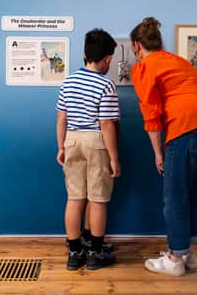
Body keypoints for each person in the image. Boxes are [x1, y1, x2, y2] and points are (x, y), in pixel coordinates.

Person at [130, 17, 197, 277]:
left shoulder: (144, 67)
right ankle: (188, 254)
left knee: (173, 195)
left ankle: (174, 260)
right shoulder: (177, 61)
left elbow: (151, 116)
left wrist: (158, 154)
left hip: (186, 127)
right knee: (188, 189)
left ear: (136, 46)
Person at [56, 29, 121, 271]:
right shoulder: (106, 85)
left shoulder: (69, 81)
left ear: (84, 54)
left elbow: (61, 118)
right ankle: (95, 252)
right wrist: (114, 158)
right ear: (108, 59)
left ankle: (75, 252)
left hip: (72, 139)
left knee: (74, 198)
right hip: (95, 141)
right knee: (98, 198)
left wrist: (60, 147)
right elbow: (106, 124)